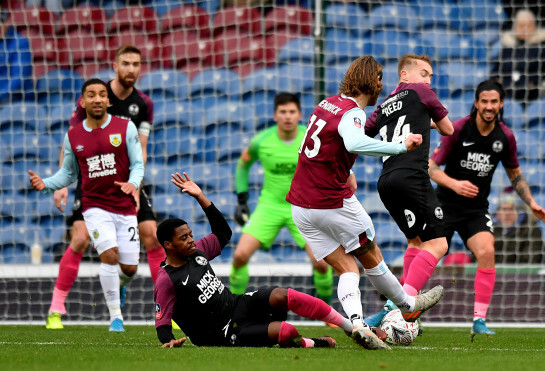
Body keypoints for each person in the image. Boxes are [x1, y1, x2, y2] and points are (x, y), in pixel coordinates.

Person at [286, 55, 444, 350]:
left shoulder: (326, 103)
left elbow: (316, 147)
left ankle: (359, 325)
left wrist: (347, 170)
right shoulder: (354, 113)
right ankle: (407, 304)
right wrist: (401, 146)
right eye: (380, 80)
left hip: (300, 207)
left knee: (348, 269)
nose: (382, 87)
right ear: (371, 81)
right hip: (329, 203)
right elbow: (354, 142)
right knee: (372, 256)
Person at [155, 172, 365, 349]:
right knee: (286, 331)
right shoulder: (167, 279)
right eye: (184, 238)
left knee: (283, 295)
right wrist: (169, 341)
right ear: (168, 245)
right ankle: (309, 343)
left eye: (190, 234)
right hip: (220, 333)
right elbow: (162, 323)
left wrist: (201, 197)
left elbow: (223, 232)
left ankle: (350, 327)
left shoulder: (197, 252)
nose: (191, 240)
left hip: (236, 305)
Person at [45, 45, 165, 330]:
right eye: (126, 63)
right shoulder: (94, 96)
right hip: (92, 180)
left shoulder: (144, 104)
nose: (131, 69)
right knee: (79, 239)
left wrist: (135, 184)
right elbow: (73, 140)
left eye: (136, 64)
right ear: (115, 66)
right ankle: (55, 309)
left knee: (152, 235)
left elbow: (142, 149)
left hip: (126, 180)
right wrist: (62, 183)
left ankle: (163, 308)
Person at [428, 79, 545, 341]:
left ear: (501, 104)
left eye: (494, 101)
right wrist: (454, 184)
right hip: (446, 206)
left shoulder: (505, 137)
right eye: (484, 101)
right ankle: (395, 309)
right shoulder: (459, 128)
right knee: (427, 255)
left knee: (487, 251)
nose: (489, 106)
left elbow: (515, 175)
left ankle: (479, 320)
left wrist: (532, 203)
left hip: (475, 210)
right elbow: (431, 168)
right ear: (476, 103)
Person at [29, 78, 145, 332]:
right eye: (91, 95)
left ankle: (120, 285)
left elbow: (138, 164)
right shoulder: (73, 135)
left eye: (102, 94)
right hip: (94, 206)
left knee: (130, 267)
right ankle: (116, 317)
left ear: (108, 100)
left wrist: (133, 183)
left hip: (124, 206)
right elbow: (68, 175)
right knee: (109, 256)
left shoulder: (126, 128)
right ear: (82, 102)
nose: (97, 99)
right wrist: (46, 184)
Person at [362, 54, 454, 327]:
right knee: (439, 243)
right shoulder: (422, 92)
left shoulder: (385, 103)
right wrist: (430, 120)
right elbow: (448, 129)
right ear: (405, 75)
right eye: (424, 73)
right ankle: (400, 307)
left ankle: (395, 310)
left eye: (430, 76)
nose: (428, 80)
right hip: (412, 175)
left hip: (386, 181)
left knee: (415, 241)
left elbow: (364, 134)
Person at [230, 93, 333, 304]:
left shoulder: (310, 138)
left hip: (303, 208)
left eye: (292, 112)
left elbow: (329, 165)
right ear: (275, 115)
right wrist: (242, 199)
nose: (287, 116)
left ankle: (327, 310)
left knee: (322, 263)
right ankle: (232, 307)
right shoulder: (261, 141)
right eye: (283, 112)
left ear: (299, 115)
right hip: (269, 207)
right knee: (240, 256)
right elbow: (243, 165)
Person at [491, 9, 545, 104]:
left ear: (535, 27)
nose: (525, 29)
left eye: (529, 26)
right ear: (515, 27)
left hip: (532, 97)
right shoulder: (507, 47)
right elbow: (496, 71)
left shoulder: (544, 47)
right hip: (506, 95)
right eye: (521, 26)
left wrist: (533, 84)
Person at [493, 191, 543, 264]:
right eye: (504, 209)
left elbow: (528, 260)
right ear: (497, 213)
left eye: (511, 209)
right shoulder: (489, 231)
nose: (507, 214)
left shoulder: (531, 231)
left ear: (519, 212)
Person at [0, 8, 33, 105]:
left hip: (16, 99)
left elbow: (19, 79)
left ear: (7, 22)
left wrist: (1, 95)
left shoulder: (20, 42)